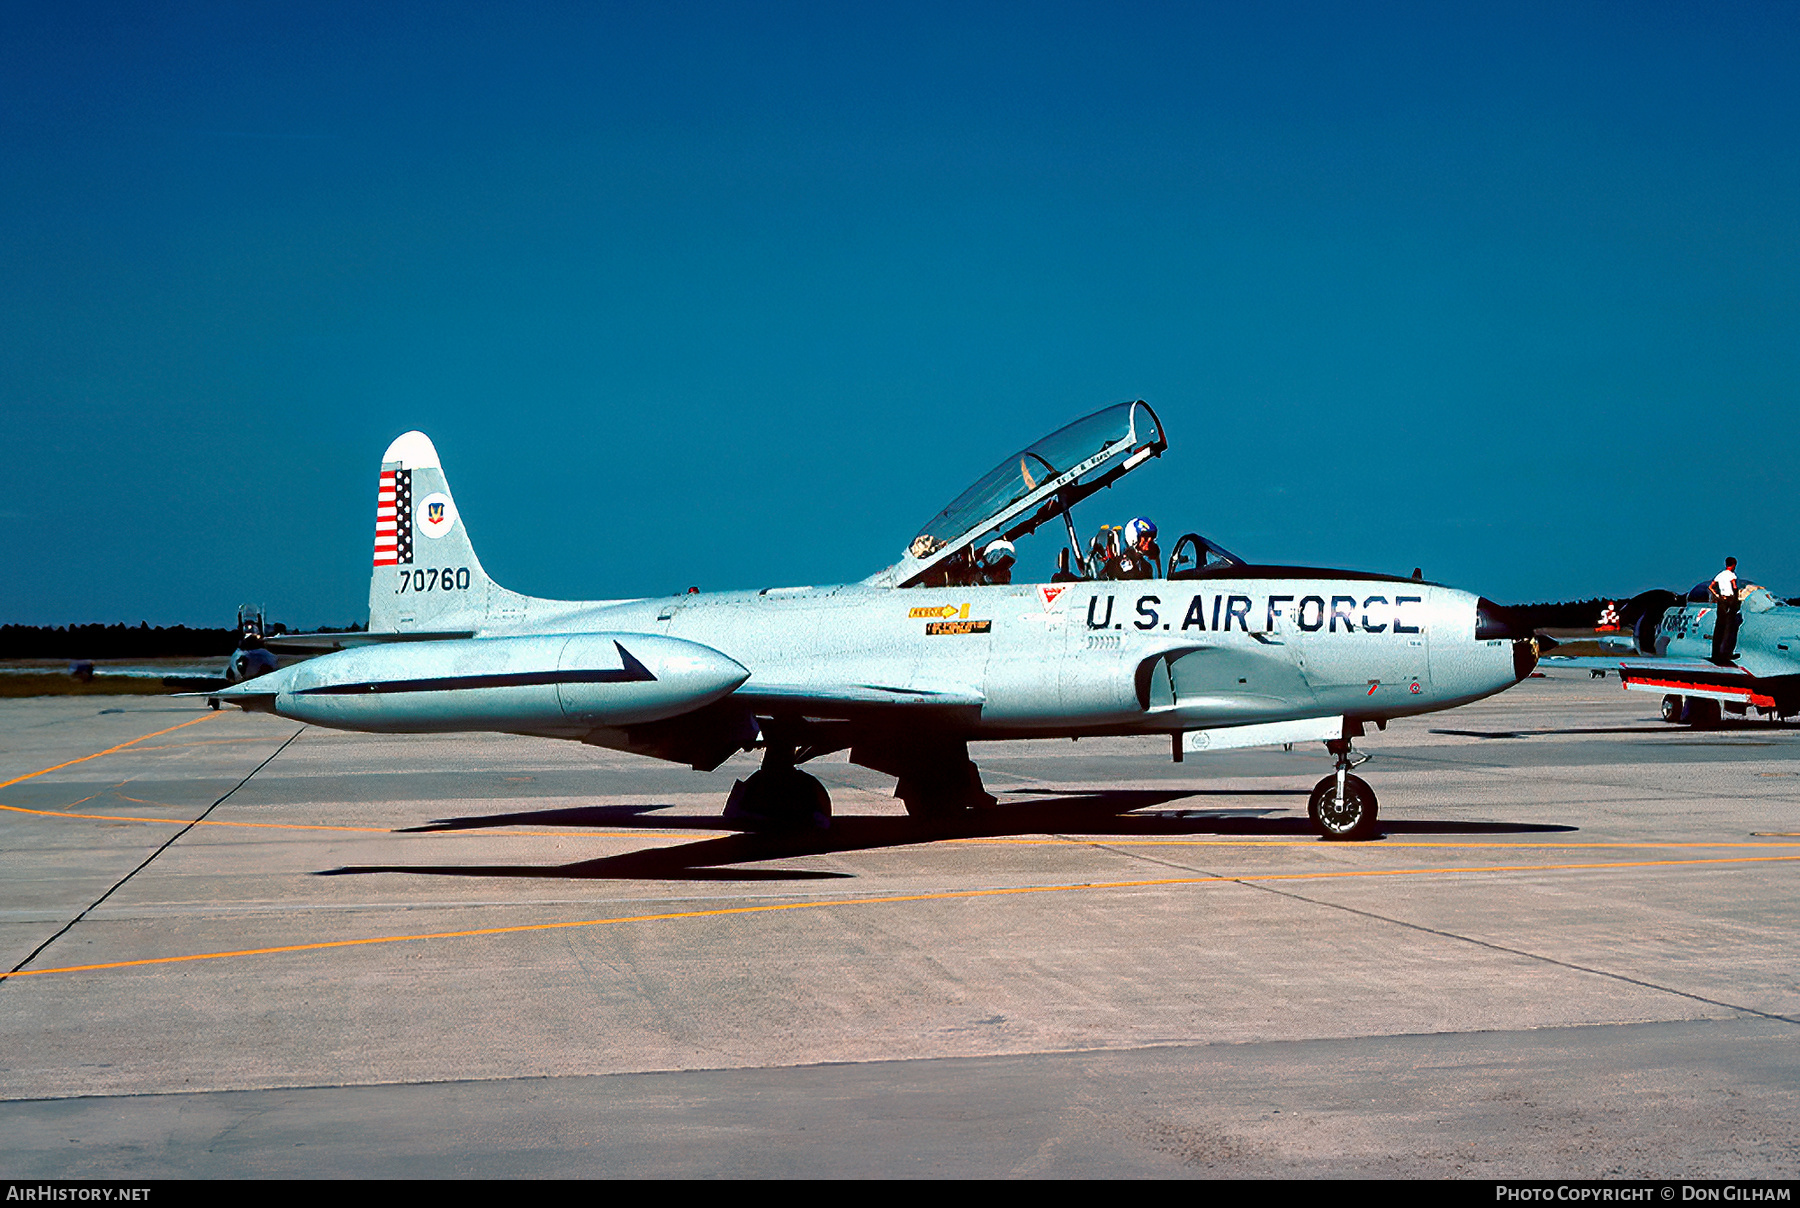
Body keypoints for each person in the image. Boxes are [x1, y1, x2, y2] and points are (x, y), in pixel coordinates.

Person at [1709, 556, 1741, 665]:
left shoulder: (1720, 575)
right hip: (1730, 600)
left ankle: (1715, 653)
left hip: (1721, 600)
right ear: (1734, 565)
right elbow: (1735, 587)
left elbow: (1711, 587)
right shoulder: (1732, 575)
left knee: (1719, 626)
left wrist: (1717, 596)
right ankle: (1726, 653)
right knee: (1729, 625)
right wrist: (1736, 599)